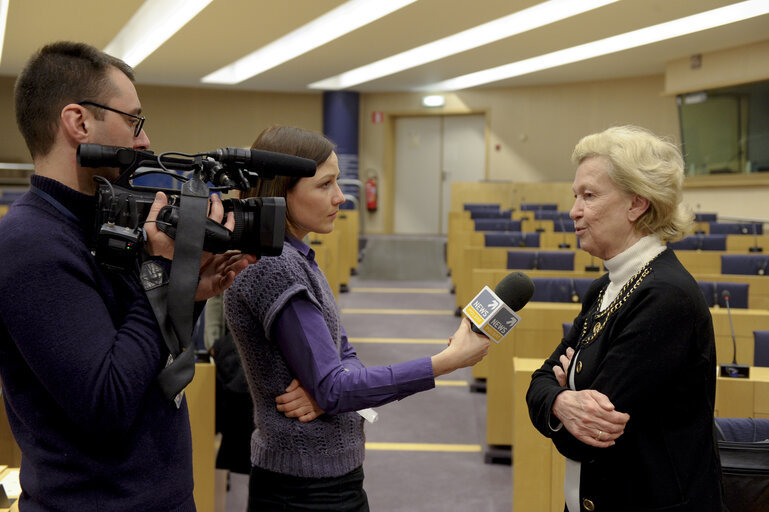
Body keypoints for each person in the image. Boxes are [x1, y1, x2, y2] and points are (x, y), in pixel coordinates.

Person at [0, 41, 256, 511]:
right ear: (79, 122)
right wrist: (160, 270)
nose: (144, 141)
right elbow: (107, 401)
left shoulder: (99, 222)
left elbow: (147, 360)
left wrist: (190, 289)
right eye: (134, 120)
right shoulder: (29, 243)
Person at [223, 125, 490, 511]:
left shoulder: (297, 258)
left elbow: (342, 354)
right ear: (282, 191)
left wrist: (328, 390)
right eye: (325, 185)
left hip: (325, 477)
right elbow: (335, 386)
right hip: (304, 490)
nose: (341, 196)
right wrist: (444, 363)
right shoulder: (275, 266)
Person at [526, 125, 724, 511]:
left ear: (637, 204)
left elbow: (582, 437)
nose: (574, 210)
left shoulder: (664, 297)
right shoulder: (604, 287)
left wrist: (560, 394)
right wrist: (562, 401)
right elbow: (538, 382)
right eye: (575, 196)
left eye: (589, 195)